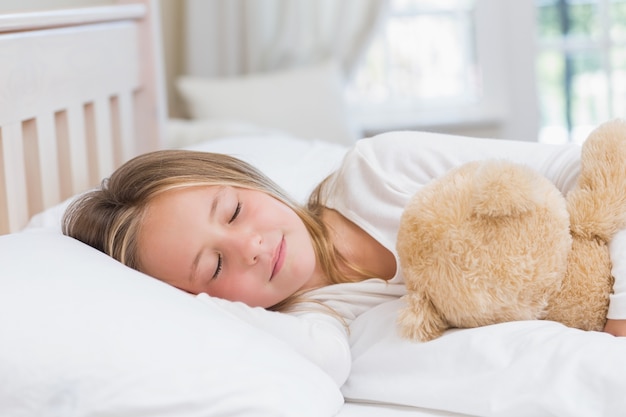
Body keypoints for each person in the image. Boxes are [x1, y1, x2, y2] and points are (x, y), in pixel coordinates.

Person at [62, 129, 626, 386]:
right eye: (214, 267)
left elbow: (597, 169)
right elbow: (327, 366)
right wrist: (201, 309)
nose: (252, 247)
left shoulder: (379, 170)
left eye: (234, 212)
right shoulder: (314, 317)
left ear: (243, 178)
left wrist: (617, 318)